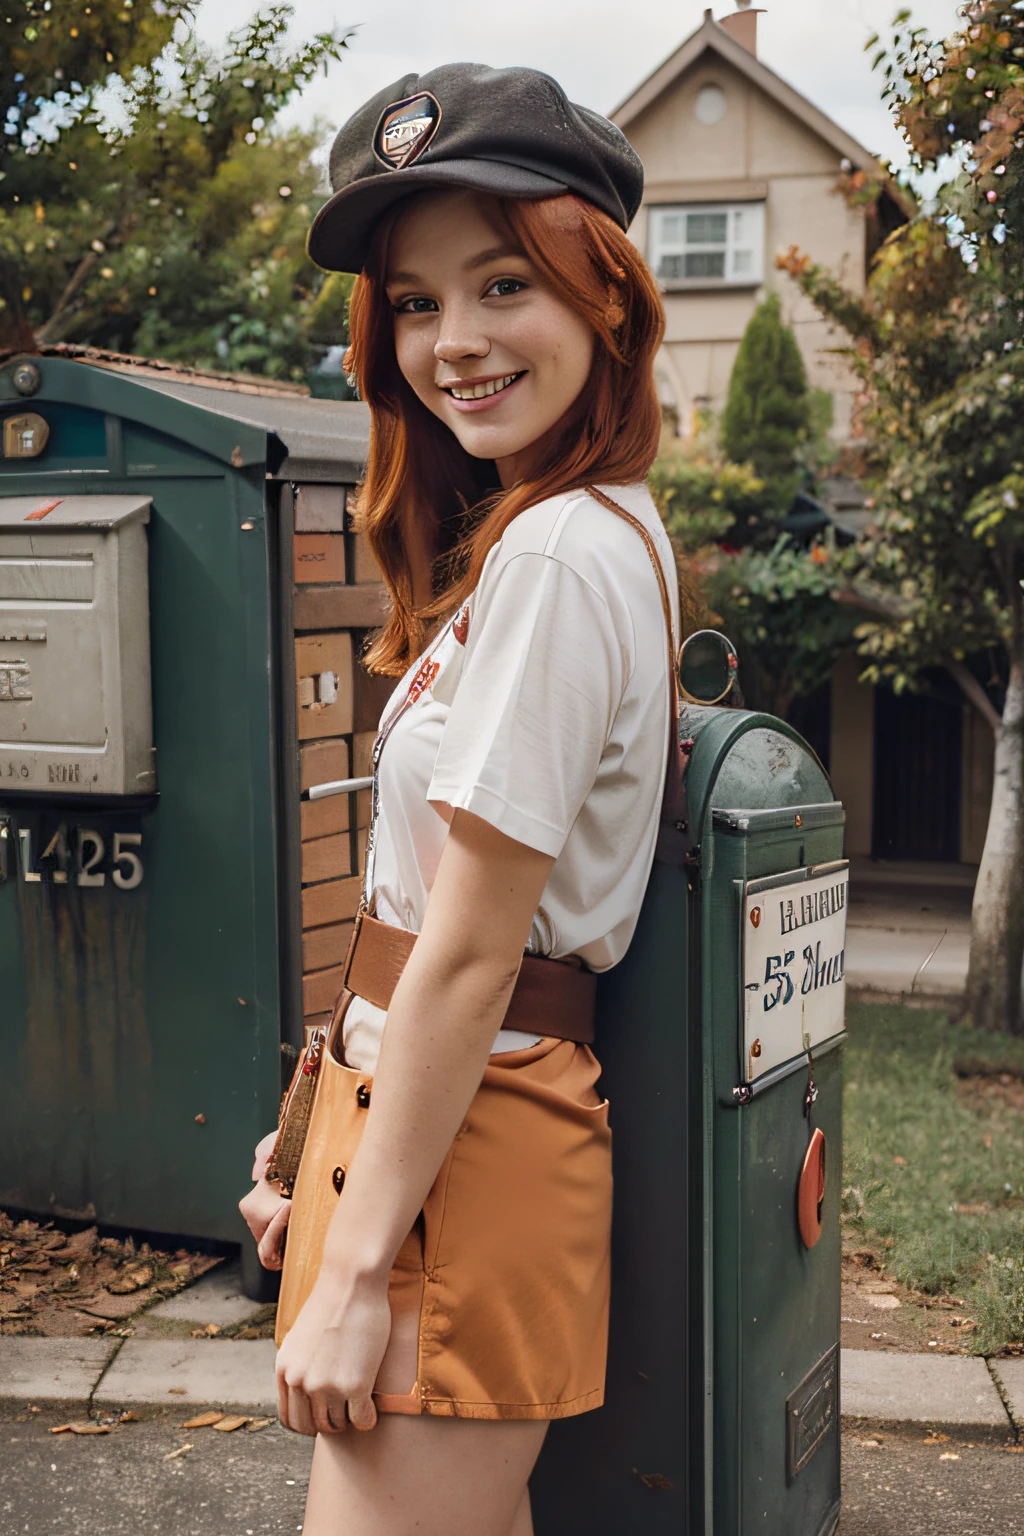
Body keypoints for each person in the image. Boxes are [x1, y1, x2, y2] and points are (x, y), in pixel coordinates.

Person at [240, 62, 679, 1536]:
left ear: (603, 293)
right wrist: (321, 1144)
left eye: (503, 283)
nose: (455, 341)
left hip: (465, 1153)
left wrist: (360, 1265)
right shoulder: (559, 538)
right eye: (416, 304)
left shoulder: (557, 553)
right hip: (435, 1134)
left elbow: (480, 951)